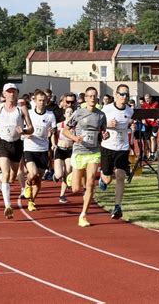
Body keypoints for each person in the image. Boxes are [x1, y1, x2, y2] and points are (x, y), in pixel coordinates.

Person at [0, 83, 34, 219]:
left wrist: (23, 131)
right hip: (2, 143)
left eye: (13, 92)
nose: (11, 94)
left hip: (16, 144)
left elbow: (31, 128)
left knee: (12, 177)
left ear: (17, 94)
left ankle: (0, 178)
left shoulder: (21, 109)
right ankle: (8, 205)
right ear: (4, 94)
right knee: (6, 173)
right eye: (9, 92)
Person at [63, 87, 108, 227]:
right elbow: (65, 130)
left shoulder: (101, 115)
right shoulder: (78, 113)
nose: (92, 98)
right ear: (86, 98)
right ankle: (71, 177)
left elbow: (104, 133)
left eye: (94, 96)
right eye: (90, 96)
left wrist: (106, 135)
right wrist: (75, 138)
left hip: (94, 152)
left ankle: (83, 215)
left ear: (97, 98)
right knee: (76, 189)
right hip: (79, 151)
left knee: (90, 183)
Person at [98, 84, 134, 220]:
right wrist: (107, 126)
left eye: (127, 95)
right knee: (108, 179)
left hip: (122, 147)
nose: (124, 97)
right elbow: (98, 125)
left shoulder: (130, 111)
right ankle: (103, 176)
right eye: (122, 94)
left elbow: (128, 123)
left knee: (120, 175)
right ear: (116, 94)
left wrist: (131, 125)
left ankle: (118, 206)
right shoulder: (106, 109)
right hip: (108, 146)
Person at [22, 89, 57, 211]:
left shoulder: (50, 115)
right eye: (39, 100)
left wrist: (53, 143)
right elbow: (22, 128)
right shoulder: (29, 114)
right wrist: (25, 134)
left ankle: (32, 201)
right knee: (33, 173)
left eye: (44, 100)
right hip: (30, 147)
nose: (42, 103)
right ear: (35, 101)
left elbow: (53, 131)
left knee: (38, 180)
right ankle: (27, 184)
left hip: (43, 149)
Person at [53, 106, 74, 203]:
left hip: (70, 150)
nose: (69, 113)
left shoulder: (75, 126)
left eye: (71, 112)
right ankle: (55, 176)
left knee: (68, 172)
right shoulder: (59, 125)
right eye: (67, 112)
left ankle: (62, 195)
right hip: (60, 150)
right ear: (64, 114)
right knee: (59, 174)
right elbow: (53, 134)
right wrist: (53, 144)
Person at [141, 93, 159, 161]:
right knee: (147, 140)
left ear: (151, 98)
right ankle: (148, 152)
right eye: (145, 99)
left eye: (148, 99)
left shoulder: (156, 104)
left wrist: (158, 118)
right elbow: (142, 114)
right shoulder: (143, 105)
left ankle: (152, 154)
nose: (147, 100)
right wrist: (143, 120)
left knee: (153, 138)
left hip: (154, 124)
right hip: (147, 124)